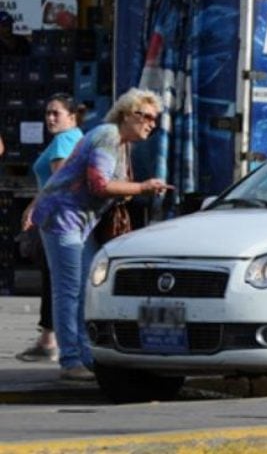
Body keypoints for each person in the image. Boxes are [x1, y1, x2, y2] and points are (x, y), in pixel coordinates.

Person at [25, 88, 173, 381]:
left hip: (76, 222)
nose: (151, 124)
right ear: (129, 115)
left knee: (84, 288)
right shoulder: (108, 136)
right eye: (148, 118)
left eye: (155, 120)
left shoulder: (119, 142)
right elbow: (99, 184)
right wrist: (142, 187)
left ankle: (85, 355)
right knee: (70, 290)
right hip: (63, 219)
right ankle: (71, 360)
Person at [16, 94, 85, 363]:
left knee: (61, 287)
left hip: (56, 222)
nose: (50, 118)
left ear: (72, 116)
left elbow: (58, 182)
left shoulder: (64, 141)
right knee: (58, 283)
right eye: (47, 113)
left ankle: (66, 350)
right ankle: (50, 339)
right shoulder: (77, 137)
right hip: (63, 221)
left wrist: (33, 208)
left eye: (56, 113)